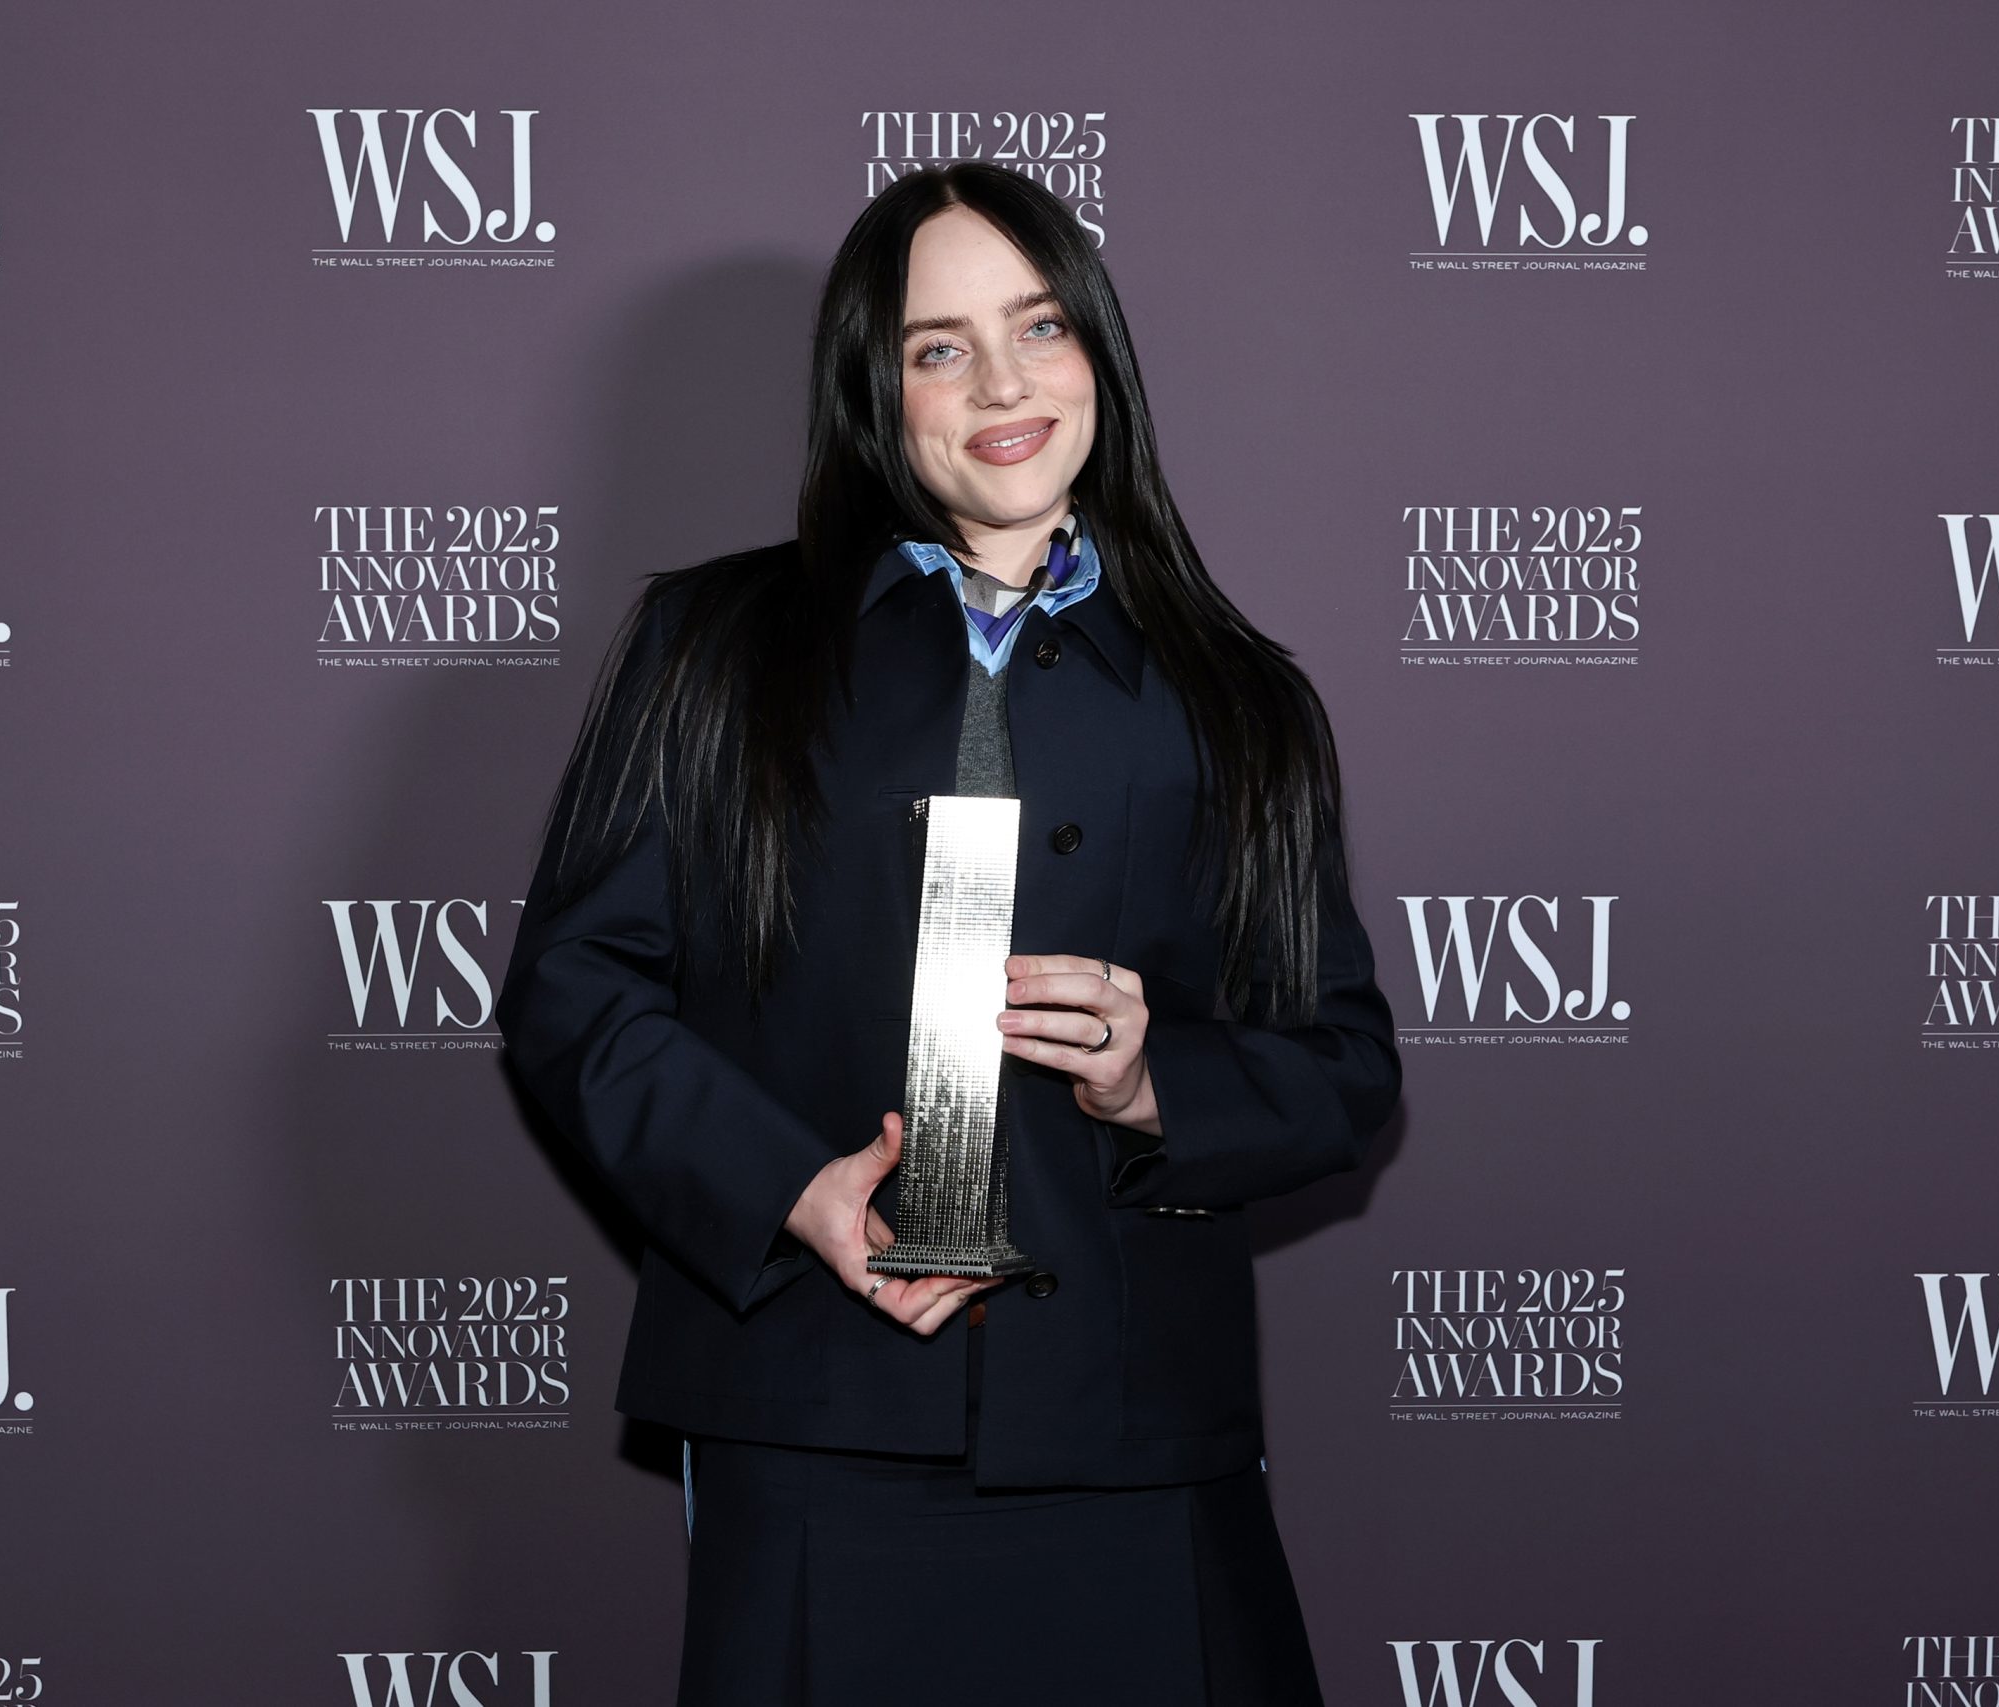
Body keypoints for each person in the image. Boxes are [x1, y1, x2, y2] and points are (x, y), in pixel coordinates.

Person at [497, 161, 1400, 1707]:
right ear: (876, 389)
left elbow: (1345, 1071)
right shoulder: (712, 650)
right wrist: (792, 1190)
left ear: (1098, 355)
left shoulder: (1242, 700)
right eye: (938, 345)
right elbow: (577, 990)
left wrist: (1154, 1081)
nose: (1001, 382)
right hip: (814, 1417)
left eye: (1040, 327)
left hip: (1133, 1438)